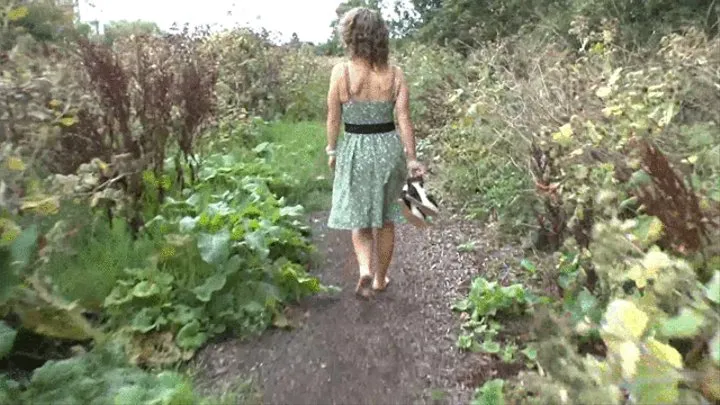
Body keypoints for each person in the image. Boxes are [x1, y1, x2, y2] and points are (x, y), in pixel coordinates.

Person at [324, 6, 426, 299]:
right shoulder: (394, 74)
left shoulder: (340, 72)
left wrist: (332, 150)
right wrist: (411, 157)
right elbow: (404, 119)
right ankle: (381, 278)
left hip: (355, 148)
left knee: (360, 219)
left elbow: (333, 118)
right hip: (388, 149)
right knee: (387, 219)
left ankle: (364, 269)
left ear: (350, 37)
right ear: (381, 37)